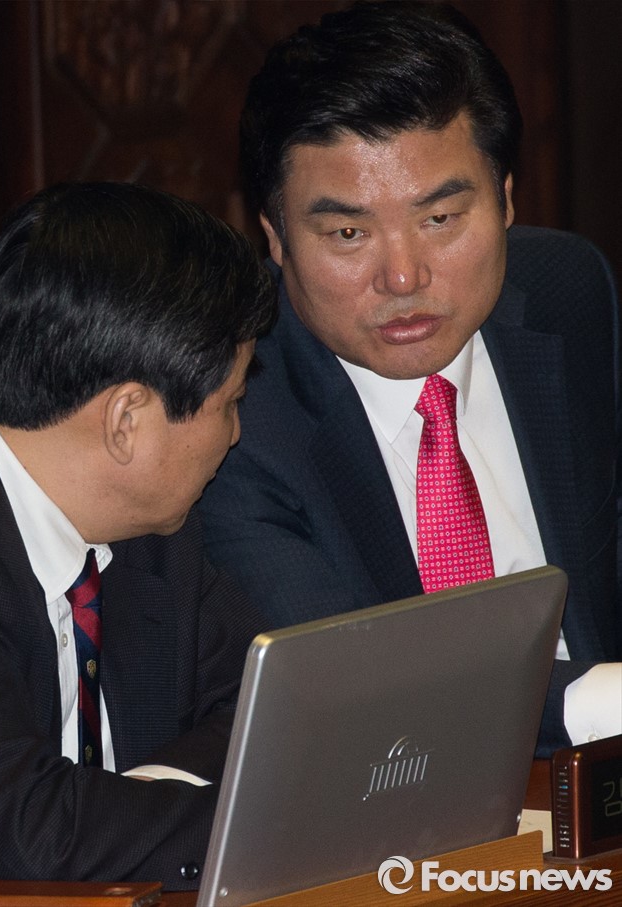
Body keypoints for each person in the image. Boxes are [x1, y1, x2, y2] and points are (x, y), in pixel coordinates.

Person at [199, 0, 622, 757]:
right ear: (275, 238)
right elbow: (365, 683)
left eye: (440, 220)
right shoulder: (233, 407)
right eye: (348, 232)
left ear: (506, 200)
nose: (403, 276)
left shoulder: (568, 294)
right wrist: (602, 699)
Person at [0, 181, 277, 891]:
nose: (236, 435)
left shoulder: (148, 520)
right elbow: (26, 829)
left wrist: (133, 794)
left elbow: (267, 707)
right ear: (126, 421)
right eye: (230, 403)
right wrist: (267, 817)